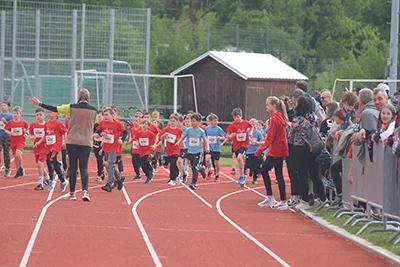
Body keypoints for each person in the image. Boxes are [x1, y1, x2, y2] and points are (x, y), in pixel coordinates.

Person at [29, 88, 98, 202]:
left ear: (79, 97)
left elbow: (55, 108)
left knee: (73, 167)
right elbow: (95, 124)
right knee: (84, 167)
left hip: (72, 141)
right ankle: (85, 192)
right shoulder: (95, 111)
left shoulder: (71, 107)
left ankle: (72, 193)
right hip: (86, 141)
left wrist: (40, 103)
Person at [291, 96, 327, 210]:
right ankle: (323, 199)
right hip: (313, 148)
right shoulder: (314, 117)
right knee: (314, 174)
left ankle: (305, 200)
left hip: (300, 147)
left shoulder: (298, 120)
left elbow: (291, 133)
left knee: (302, 174)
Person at [256, 97, 289, 209]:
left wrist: (260, 150)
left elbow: (270, 137)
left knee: (277, 174)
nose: (266, 106)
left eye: (268, 105)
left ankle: (282, 200)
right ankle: (271, 197)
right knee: (266, 170)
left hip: (277, 149)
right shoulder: (277, 117)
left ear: (274, 105)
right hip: (277, 148)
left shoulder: (275, 119)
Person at [94, 107, 125, 192]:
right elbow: (98, 131)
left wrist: (122, 139)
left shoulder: (118, 124)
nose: (105, 117)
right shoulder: (103, 123)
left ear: (112, 115)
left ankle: (109, 184)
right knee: (111, 165)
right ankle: (120, 178)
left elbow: (125, 132)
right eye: (104, 115)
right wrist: (101, 133)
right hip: (106, 147)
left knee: (110, 165)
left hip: (114, 147)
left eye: (107, 115)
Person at [38, 110, 68, 192]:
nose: (49, 114)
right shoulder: (47, 124)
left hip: (56, 145)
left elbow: (65, 132)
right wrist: (39, 142)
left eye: (51, 112)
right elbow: (45, 134)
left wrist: (64, 141)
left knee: (49, 159)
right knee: (54, 163)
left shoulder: (58, 123)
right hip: (49, 145)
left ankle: (50, 180)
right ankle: (63, 181)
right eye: (48, 112)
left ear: (56, 114)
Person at [177, 113, 208, 190]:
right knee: (191, 165)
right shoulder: (188, 130)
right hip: (189, 151)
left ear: (199, 122)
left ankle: (193, 183)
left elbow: (205, 140)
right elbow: (183, 137)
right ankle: (201, 169)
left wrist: (207, 148)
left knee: (194, 167)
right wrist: (179, 142)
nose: (192, 123)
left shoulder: (201, 132)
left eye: (194, 121)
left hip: (198, 152)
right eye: (191, 121)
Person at [226, 108, 252, 187]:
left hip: (244, 144)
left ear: (241, 116)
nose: (236, 119)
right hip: (236, 145)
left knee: (239, 158)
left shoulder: (246, 123)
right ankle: (242, 175)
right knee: (239, 159)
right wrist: (231, 136)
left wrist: (250, 133)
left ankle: (242, 176)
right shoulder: (232, 125)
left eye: (237, 117)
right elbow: (227, 135)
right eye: (234, 117)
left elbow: (251, 127)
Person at [4, 106, 28, 179]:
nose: (15, 115)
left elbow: (28, 128)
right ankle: (19, 170)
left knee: (17, 155)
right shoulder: (11, 122)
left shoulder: (23, 122)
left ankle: (20, 168)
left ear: (20, 114)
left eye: (17, 113)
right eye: (14, 113)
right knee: (16, 156)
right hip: (13, 141)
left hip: (21, 140)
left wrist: (26, 134)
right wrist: (10, 132)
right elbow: (6, 129)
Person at [159, 113, 182, 185]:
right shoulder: (166, 129)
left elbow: (182, 138)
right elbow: (160, 137)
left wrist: (179, 143)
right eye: (171, 121)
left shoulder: (179, 130)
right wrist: (164, 135)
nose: (172, 122)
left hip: (176, 149)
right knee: (172, 164)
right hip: (169, 150)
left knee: (172, 163)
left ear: (177, 122)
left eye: (174, 121)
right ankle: (178, 173)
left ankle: (172, 179)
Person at [29, 108, 48, 190]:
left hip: (45, 147)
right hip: (36, 147)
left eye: (40, 115)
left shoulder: (47, 125)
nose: (39, 116)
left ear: (44, 115)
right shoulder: (33, 125)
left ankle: (40, 183)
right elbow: (30, 133)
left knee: (40, 163)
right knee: (39, 164)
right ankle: (47, 177)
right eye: (37, 115)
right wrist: (31, 137)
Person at [134, 119, 157, 184]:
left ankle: (151, 171)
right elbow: (136, 139)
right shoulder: (139, 133)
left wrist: (154, 145)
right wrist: (137, 143)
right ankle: (149, 174)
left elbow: (156, 140)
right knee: (143, 165)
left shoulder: (151, 134)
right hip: (141, 150)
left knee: (145, 160)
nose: (144, 125)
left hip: (148, 150)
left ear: (148, 126)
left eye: (146, 124)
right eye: (143, 123)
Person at [205, 113, 226, 182]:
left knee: (216, 162)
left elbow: (224, 137)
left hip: (216, 148)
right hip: (209, 147)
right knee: (207, 159)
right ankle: (210, 169)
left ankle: (217, 174)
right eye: (215, 120)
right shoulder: (207, 129)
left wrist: (220, 138)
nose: (216, 122)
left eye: (217, 120)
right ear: (211, 121)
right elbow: (205, 137)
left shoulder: (218, 129)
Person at [244, 118, 263, 184]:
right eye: (251, 125)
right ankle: (249, 170)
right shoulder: (247, 132)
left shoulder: (259, 133)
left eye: (254, 124)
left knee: (256, 166)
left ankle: (255, 179)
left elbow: (263, 142)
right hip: (248, 151)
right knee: (248, 164)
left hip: (256, 152)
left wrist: (257, 143)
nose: (253, 126)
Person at [0, 101, 13, 177]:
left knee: (6, 153)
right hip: (0, 136)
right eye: (1, 106)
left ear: (8, 107)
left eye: (4, 105)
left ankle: (7, 168)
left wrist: (5, 122)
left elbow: (12, 125)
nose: (2, 107)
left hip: (7, 137)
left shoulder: (10, 116)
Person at [129, 115, 143, 180]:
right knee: (134, 161)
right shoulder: (132, 129)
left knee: (140, 161)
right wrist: (129, 141)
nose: (135, 122)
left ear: (140, 122)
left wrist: (139, 142)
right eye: (134, 121)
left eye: (137, 121)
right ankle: (138, 174)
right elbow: (132, 137)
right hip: (134, 148)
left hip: (141, 148)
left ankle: (148, 170)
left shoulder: (142, 129)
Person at [93, 110, 105, 182]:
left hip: (102, 145)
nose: (98, 118)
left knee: (100, 159)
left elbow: (99, 134)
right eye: (97, 117)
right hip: (95, 144)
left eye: (100, 117)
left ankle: (100, 174)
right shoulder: (95, 125)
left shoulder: (104, 125)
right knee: (98, 160)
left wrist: (93, 135)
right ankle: (102, 172)